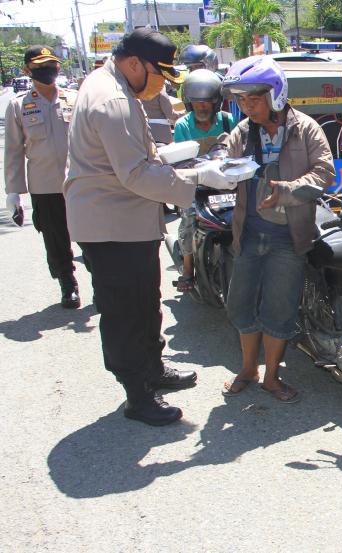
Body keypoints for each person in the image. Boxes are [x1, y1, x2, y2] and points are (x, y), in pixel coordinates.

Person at [63, 28, 236, 426]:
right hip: (112, 223)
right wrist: (197, 180)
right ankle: (137, 394)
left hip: (126, 219)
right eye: (159, 74)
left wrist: (180, 157)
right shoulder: (112, 99)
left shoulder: (116, 86)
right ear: (134, 63)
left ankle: (152, 369)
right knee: (125, 311)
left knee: (145, 302)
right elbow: (135, 173)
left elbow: (138, 153)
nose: (162, 84)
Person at [212, 55, 334, 401]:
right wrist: (219, 165)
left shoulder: (307, 128)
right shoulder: (242, 130)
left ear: (275, 94)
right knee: (240, 305)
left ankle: (271, 377)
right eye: (240, 100)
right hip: (248, 235)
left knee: (279, 309)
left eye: (254, 99)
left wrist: (286, 191)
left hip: (288, 237)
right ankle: (248, 370)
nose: (247, 107)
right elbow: (225, 157)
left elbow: (324, 174)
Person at [4, 45, 80, 308]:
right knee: (56, 239)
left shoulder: (75, 98)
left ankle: (102, 281)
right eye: (40, 67)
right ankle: (67, 283)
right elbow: (13, 151)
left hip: (80, 181)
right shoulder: (19, 106)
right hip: (45, 185)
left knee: (94, 234)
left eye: (52, 65)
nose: (48, 71)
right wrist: (13, 193)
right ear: (28, 70)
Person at [173, 68, 238, 292]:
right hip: (196, 185)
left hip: (226, 183)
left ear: (216, 102)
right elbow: (180, 161)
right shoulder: (183, 125)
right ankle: (188, 270)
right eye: (197, 102)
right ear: (190, 103)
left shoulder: (229, 121)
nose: (202, 106)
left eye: (207, 101)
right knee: (189, 217)